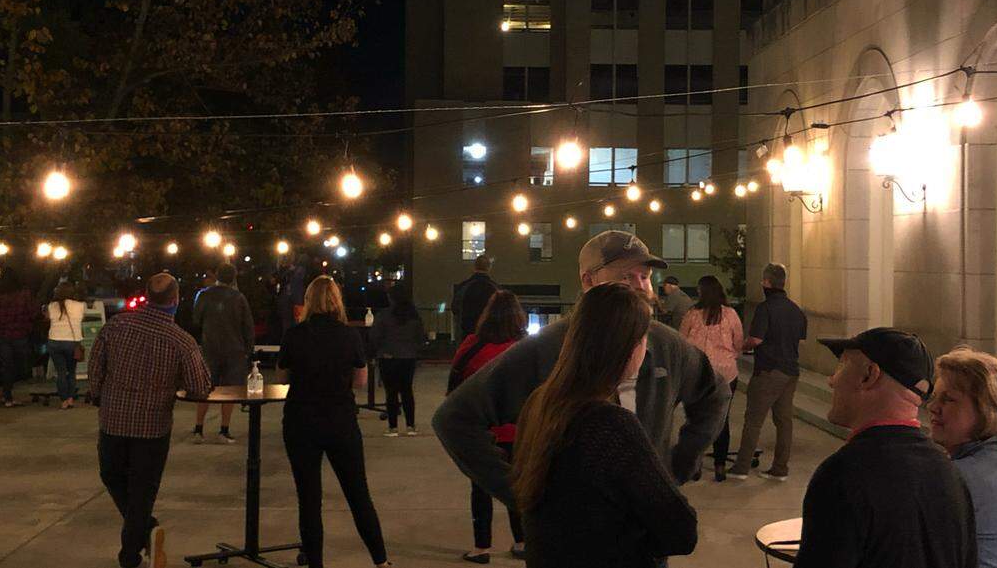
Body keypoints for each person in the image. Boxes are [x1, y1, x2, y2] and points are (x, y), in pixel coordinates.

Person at [433, 230, 729, 510]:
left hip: (644, 527)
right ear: (588, 281)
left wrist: (678, 466)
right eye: (626, 276)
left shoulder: (665, 344)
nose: (640, 285)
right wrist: (521, 494)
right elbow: (455, 418)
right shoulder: (549, 347)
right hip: (571, 529)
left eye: (645, 276)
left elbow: (715, 393)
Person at [512, 283, 699, 568]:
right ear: (629, 347)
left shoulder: (540, 404)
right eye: (644, 338)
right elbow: (681, 531)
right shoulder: (610, 425)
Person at [795, 328, 977, 568]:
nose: (832, 380)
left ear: (869, 375)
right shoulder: (950, 473)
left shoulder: (843, 475)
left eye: (842, 365)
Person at [89, 273, 212, 568]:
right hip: (152, 427)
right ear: (175, 300)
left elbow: (95, 366)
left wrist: (98, 394)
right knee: (142, 490)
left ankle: (142, 535)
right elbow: (199, 387)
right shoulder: (182, 341)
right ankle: (134, 549)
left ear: (146, 295)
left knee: (112, 476)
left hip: (113, 420)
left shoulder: (116, 326)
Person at [279, 275, 392, 568]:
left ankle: (315, 561)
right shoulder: (349, 336)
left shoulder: (295, 335)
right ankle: (380, 560)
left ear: (308, 301)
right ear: (336, 301)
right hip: (340, 419)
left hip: (301, 420)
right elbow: (360, 380)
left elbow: (283, 377)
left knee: (309, 498)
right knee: (358, 493)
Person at [929, 347, 997, 568]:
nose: (933, 407)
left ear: (986, 410)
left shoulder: (952, 478)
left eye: (948, 399)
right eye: (934, 397)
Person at [450, 290, 529, 563]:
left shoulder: (472, 345)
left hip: (482, 431)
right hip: (520, 430)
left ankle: (482, 548)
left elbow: (455, 386)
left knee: (481, 488)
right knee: (518, 486)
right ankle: (522, 542)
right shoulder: (526, 348)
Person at [727, 262, 806, 481]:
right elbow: (800, 339)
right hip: (791, 371)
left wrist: (740, 346)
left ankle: (741, 468)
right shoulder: (796, 310)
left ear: (767, 282)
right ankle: (780, 469)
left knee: (754, 420)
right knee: (784, 422)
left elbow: (756, 339)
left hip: (769, 371)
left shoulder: (765, 308)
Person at [679, 275, 744, 481]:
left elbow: (682, 341)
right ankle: (720, 465)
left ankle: (695, 464)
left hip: (697, 372)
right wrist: (729, 356)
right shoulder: (730, 314)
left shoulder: (692, 315)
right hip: (726, 373)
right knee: (722, 419)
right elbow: (739, 342)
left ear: (701, 292)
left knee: (696, 419)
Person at [191, 263, 254, 444]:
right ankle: (224, 430)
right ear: (234, 277)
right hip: (234, 350)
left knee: (205, 388)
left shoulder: (203, 295)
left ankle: (198, 429)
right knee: (229, 391)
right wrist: (249, 351)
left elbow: (196, 320)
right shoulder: (239, 298)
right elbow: (248, 327)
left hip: (209, 348)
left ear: (217, 275)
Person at [370, 282, 426, 437]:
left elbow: (375, 337)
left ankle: (393, 427)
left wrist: (379, 351)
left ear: (391, 298)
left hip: (388, 357)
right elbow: (420, 338)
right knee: (407, 391)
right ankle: (410, 426)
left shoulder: (384, 315)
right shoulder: (414, 316)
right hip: (408, 357)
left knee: (391, 393)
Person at [0, 269, 38, 407]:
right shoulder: (24, 293)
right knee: (19, 365)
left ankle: (7, 394)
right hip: (20, 333)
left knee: (7, 365)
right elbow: (32, 312)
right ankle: (7, 393)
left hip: (2, 333)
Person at [45, 283, 85, 409]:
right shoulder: (80, 305)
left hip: (55, 341)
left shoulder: (52, 306)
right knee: (71, 371)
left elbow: (47, 318)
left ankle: (63, 400)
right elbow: (81, 319)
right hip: (72, 343)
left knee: (61, 372)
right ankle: (70, 398)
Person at [452, 254, 497, 341]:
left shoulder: (463, 287)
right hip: (488, 335)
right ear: (489, 268)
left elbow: (455, 308)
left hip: (466, 334)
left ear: (474, 267)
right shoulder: (495, 288)